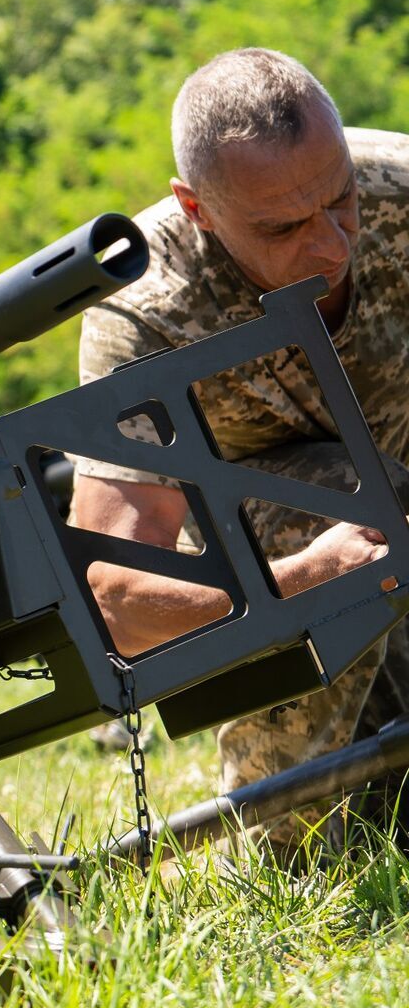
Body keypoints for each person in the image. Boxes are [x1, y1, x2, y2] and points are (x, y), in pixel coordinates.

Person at [69, 46, 409, 857]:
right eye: (283, 227)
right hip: (292, 561)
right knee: (336, 494)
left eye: (341, 200)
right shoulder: (144, 312)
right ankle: (283, 857)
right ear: (199, 208)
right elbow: (115, 595)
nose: (331, 244)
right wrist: (303, 581)